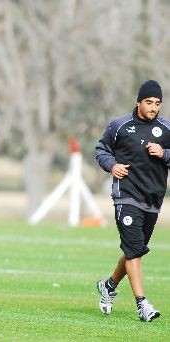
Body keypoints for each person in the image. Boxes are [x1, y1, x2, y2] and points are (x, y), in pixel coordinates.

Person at [95, 79, 169, 322]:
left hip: (153, 199)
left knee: (133, 250)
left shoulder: (166, 129)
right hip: (126, 196)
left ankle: (108, 285)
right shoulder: (119, 126)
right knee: (134, 250)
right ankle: (142, 304)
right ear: (139, 102)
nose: (153, 108)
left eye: (157, 103)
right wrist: (112, 165)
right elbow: (102, 150)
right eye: (149, 102)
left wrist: (164, 153)